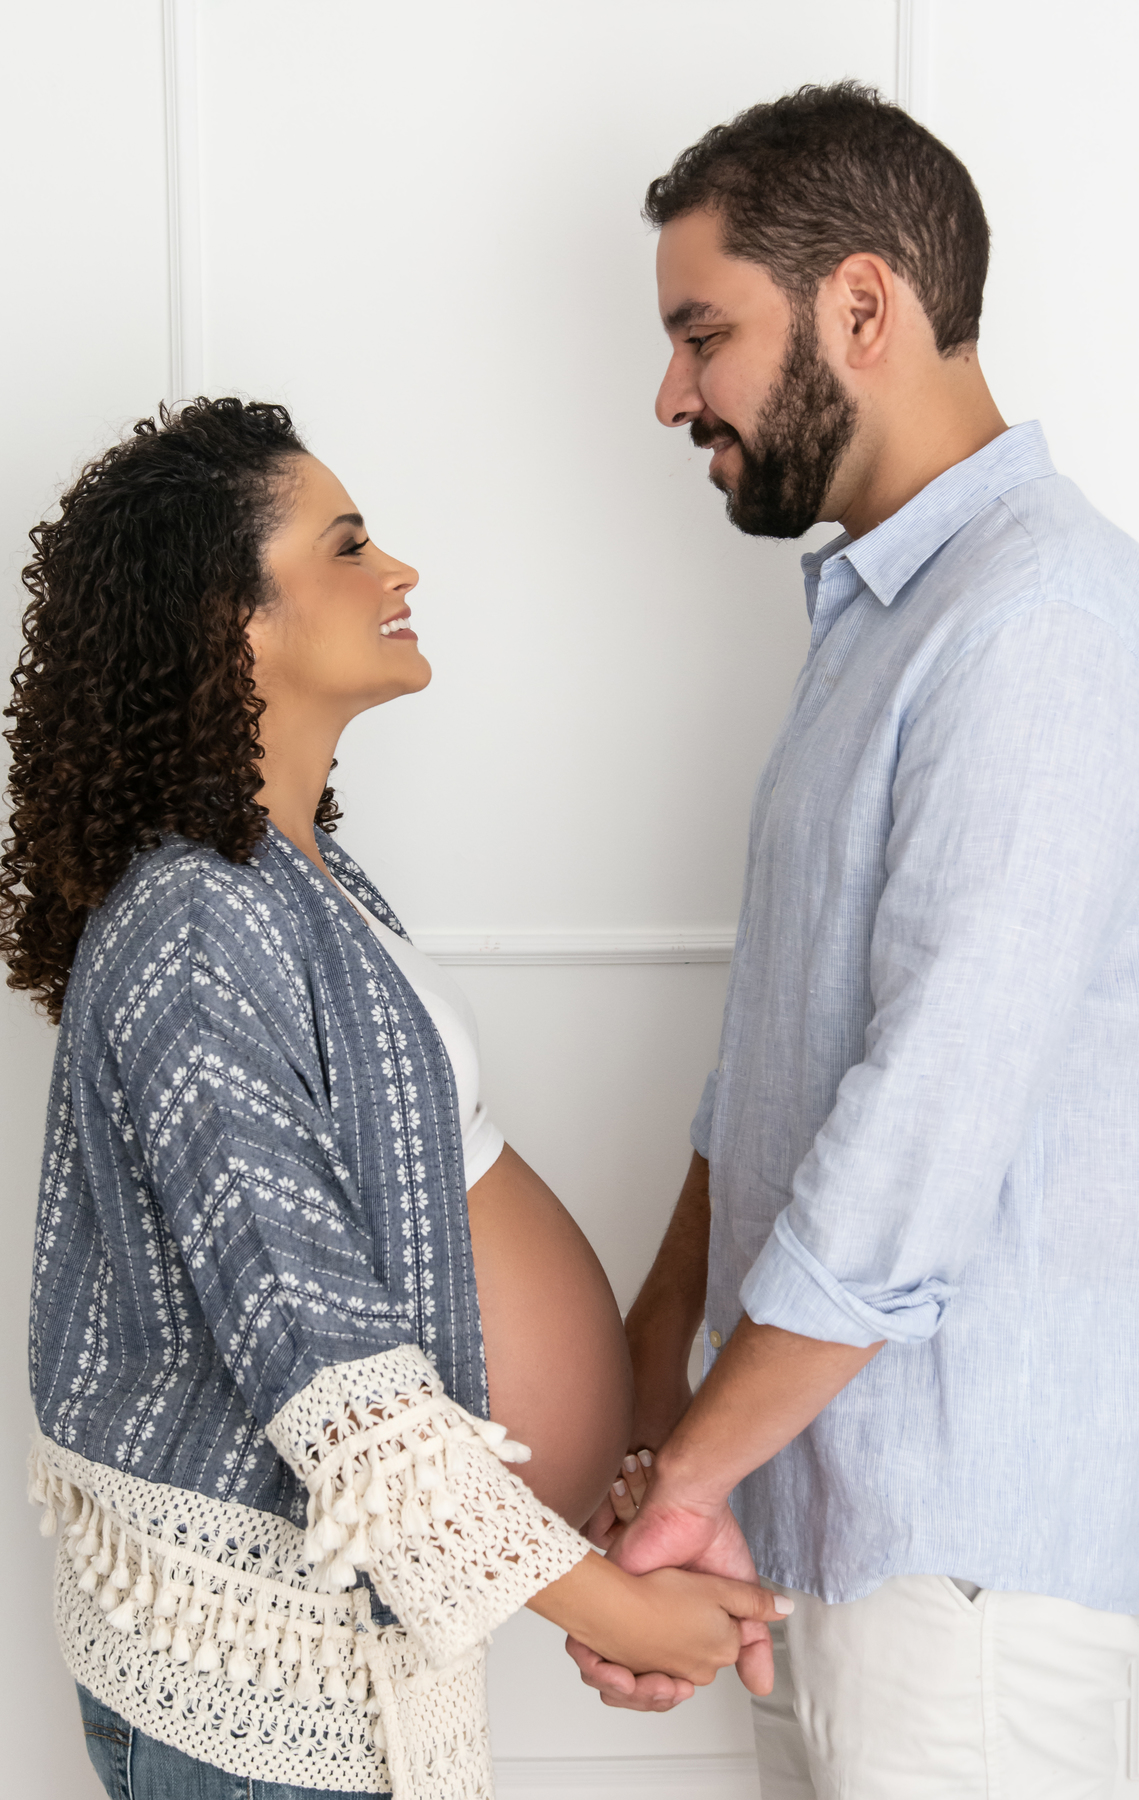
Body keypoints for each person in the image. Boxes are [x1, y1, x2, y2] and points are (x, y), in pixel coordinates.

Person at [3, 398, 785, 1800]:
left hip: (359, 1652)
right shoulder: (191, 927)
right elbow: (320, 1359)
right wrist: (604, 1606)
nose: (400, 572)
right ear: (225, 617)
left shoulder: (304, 886)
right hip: (255, 1690)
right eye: (349, 545)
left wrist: (589, 1516)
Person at [570, 81, 1139, 1800]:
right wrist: (653, 1410)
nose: (670, 391)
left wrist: (688, 1472)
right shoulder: (880, 622)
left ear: (864, 304)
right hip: (827, 1531)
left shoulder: (1039, 628)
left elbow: (915, 1134)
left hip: (958, 1577)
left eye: (704, 332)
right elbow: (775, 1071)